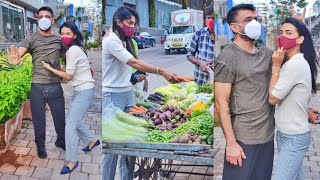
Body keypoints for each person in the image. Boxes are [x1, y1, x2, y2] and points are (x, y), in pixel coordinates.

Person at [215, 4, 315, 180]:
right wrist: (231, 143)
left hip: (268, 137)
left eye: (255, 19)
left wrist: (304, 110)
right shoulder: (227, 57)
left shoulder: (268, 54)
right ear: (234, 27)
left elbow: (288, 85)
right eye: (248, 20)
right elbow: (221, 102)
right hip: (243, 140)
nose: (254, 23)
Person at [102, 6, 179, 180]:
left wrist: (142, 77)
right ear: (118, 22)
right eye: (130, 23)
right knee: (113, 147)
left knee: (131, 142)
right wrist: (161, 70)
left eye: (134, 23)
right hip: (112, 97)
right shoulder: (111, 41)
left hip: (127, 93)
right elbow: (134, 63)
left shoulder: (123, 40)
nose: (132, 27)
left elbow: (132, 66)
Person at [41, 21, 100, 174]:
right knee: (73, 121)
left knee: (70, 126)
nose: (64, 36)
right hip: (82, 90)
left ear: (74, 35)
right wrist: (55, 66)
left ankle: (72, 160)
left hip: (84, 91)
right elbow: (69, 69)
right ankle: (91, 140)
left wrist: (50, 69)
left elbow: (68, 76)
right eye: (62, 33)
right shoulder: (77, 48)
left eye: (68, 34)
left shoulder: (72, 50)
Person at [8, 6, 66, 159]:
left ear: (52, 20)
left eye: (47, 16)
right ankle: (40, 146)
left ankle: (61, 141)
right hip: (37, 86)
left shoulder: (59, 39)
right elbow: (20, 52)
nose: (44, 19)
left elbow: (67, 57)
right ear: (37, 19)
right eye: (41, 17)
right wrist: (15, 59)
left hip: (55, 85)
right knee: (39, 120)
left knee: (60, 117)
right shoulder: (31, 38)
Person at [269, 17, 318, 180]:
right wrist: (307, 110)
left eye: (289, 33)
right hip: (285, 134)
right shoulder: (292, 63)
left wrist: (275, 66)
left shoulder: (295, 64)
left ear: (300, 39)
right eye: (281, 32)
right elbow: (295, 99)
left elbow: (273, 98)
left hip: (294, 138)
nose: (283, 36)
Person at [187, 4, 215, 86]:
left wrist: (218, 63)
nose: (210, 20)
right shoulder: (198, 34)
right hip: (199, 80)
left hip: (218, 84)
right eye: (208, 18)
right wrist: (200, 62)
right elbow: (189, 55)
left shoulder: (225, 37)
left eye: (213, 18)